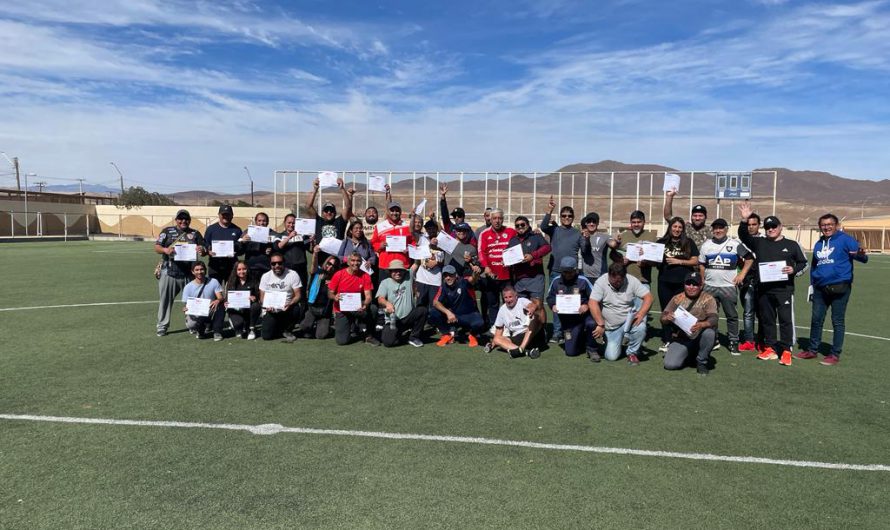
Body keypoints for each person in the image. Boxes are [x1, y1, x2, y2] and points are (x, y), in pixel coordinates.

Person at [737, 203, 808, 366]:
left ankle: (786, 350)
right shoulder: (759, 242)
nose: (770, 229)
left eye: (773, 226)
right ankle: (770, 348)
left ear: (780, 227)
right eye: (768, 226)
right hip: (764, 289)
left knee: (785, 320)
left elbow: (803, 263)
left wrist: (793, 269)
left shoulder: (792, 245)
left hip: (784, 290)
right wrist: (744, 219)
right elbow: (743, 235)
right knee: (767, 319)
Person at [796, 213, 869, 365]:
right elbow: (815, 266)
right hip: (819, 289)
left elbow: (862, 258)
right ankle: (812, 350)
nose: (826, 227)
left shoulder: (845, 239)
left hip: (840, 286)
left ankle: (834, 354)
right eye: (823, 225)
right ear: (820, 227)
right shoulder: (818, 244)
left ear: (836, 225)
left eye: (830, 224)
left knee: (837, 321)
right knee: (816, 320)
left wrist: (861, 254)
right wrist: (812, 286)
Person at [698, 218, 753, 354]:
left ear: (726, 229)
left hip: (727, 287)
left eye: (721, 228)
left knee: (732, 316)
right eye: (715, 228)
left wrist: (742, 275)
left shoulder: (734, 244)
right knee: (710, 315)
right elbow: (701, 263)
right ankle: (712, 340)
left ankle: (733, 341)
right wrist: (702, 279)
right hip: (710, 286)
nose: (718, 230)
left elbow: (750, 258)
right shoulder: (706, 245)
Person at [154, 209, 206, 336]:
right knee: (165, 301)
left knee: (193, 301)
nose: (183, 221)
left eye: (186, 219)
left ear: (190, 220)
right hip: (170, 272)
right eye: (180, 219)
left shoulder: (195, 233)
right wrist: (166, 250)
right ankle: (162, 326)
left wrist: (202, 249)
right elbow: (157, 247)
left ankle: (193, 324)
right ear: (176, 220)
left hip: (189, 274)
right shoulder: (167, 231)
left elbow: (204, 250)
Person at [588, 262, 653, 364]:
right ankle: (616, 343)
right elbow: (592, 303)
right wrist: (600, 324)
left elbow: (648, 297)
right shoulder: (601, 282)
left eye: (620, 281)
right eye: (614, 281)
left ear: (624, 276)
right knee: (611, 357)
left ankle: (632, 353)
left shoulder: (631, 280)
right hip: (611, 327)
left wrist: (641, 314)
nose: (617, 283)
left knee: (641, 327)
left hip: (629, 321)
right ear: (609, 275)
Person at [540, 197, 582, 343]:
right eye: (564, 216)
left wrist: (587, 238)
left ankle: (570, 330)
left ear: (573, 218)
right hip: (556, 271)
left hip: (573, 273)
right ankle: (557, 332)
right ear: (560, 217)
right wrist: (550, 209)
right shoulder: (555, 230)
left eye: (569, 216)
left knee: (572, 303)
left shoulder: (577, 233)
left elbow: (586, 249)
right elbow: (543, 226)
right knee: (557, 303)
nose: (566, 218)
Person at [661, 271, 719, 375]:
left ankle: (702, 362)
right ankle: (690, 355)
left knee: (709, 333)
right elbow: (662, 318)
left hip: (699, 336)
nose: (691, 287)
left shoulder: (708, 298)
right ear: (684, 284)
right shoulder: (677, 298)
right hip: (681, 338)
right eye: (688, 284)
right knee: (670, 365)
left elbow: (714, 319)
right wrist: (667, 318)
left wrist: (702, 324)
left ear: (701, 286)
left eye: (695, 284)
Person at [655, 217, 700, 351]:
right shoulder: (661, 242)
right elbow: (654, 260)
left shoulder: (688, 242)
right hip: (665, 282)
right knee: (667, 311)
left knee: (682, 312)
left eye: (680, 227)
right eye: (674, 226)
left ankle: (681, 338)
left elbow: (695, 261)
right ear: (670, 228)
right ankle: (667, 339)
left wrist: (679, 262)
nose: (677, 229)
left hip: (683, 283)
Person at [546, 256, 595, 357]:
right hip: (567, 323)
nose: (568, 275)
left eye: (570, 272)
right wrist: (553, 305)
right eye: (565, 272)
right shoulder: (555, 281)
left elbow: (595, 297)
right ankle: (581, 337)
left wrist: (587, 305)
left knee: (591, 323)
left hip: (583, 317)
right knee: (570, 352)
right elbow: (549, 297)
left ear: (575, 270)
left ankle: (592, 347)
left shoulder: (583, 280)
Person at [477, 208, 517, 327]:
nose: (497, 221)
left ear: (503, 219)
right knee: (493, 304)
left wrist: (532, 231)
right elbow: (481, 252)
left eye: (500, 218)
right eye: (495, 218)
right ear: (490, 219)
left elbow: (521, 241)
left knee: (509, 302)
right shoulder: (484, 234)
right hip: (492, 276)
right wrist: (486, 267)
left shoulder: (511, 232)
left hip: (507, 276)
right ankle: (495, 327)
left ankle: (511, 326)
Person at [329, 252, 380, 346]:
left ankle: (369, 335)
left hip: (357, 307)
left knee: (373, 309)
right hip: (342, 310)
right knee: (342, 341)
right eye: (353, 260)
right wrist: (334, 297)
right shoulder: (339, 274)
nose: (355, 263)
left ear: (361, 263)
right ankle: (353, 326)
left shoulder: (365, 276)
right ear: (348, 262)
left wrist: (365, 304)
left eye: (358, 261)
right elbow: (330, 293)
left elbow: (368, 296)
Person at [430, 265, 486, 347]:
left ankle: (472, 335)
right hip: (454, 316)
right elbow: (435, 302)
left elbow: (473, 279)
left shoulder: (463, 281)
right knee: (433, 312)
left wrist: (475, 273)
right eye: (445, 276)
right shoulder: (444, 286)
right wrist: (448, 313)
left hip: (470, 314)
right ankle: (447, 334)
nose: (448, 278)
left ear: (456, 275)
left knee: (479, 323)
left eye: (450, 275)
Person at [485, 284, 547, 359]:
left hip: (533, 334)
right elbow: (498, 332)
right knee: (497, 339)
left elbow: (532, 305)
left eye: (510, 297)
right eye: (506, 297)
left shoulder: (522, 301)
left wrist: (531, 309)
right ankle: (526, 351)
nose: (508, 300)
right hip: (518, 338)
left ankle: (521, 348)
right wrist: (493, 343)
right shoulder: (502, 310)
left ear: (516, 296)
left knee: (534, 318)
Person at [376, 260, 427, 348]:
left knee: (423, 310)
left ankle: (413, 337)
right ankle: (401, 333)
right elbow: (380, 299)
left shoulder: (408, 276)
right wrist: (387, 303)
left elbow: (416, 263)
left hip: (409, 317)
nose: (398, 273)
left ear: (404, 271)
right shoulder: (385, 282)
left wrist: (420, 249)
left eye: (400, 270)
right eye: (394, 270)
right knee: (388, 343)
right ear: (390, 272)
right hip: (393, 320)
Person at [305, 176, 355, 264]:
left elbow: (348, 207)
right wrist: (315, 189)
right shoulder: (318, 221)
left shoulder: (340, 221)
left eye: (331, 210)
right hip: (321, 261)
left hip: (336, 262)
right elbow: (308, 206)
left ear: (335, 213)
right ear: (322, 213)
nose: (329, 212)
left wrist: (342, 188)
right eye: (326, 210)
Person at [258, 252, 303, 342]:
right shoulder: (265, 276)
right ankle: (279, 328)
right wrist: (267, 306)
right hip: (271, 310)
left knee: (297, 309)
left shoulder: (293, 274)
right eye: (273, 264)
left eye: (279, 263)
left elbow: (298, 295)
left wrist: (290, 303)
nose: (277, 265)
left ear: (284, 263)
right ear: (270, 264)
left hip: (287, 308)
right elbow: (262, 298)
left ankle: (287, 330)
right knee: (266, 337)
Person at [507, 215, 550, 302]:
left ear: (527, 225)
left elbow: (547, 248)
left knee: (537, 307)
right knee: (521, 308)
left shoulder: (536, 236)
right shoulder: (513, 240)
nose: (520, 227)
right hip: (519, 279)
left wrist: (533, 256)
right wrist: (505, 260)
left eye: (522, 224)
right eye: (517, 225)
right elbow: (508, 255)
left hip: (535, 278)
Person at [298, 252, 339, 340]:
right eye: (329, 263)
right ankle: (310, 325)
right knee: (303, 327)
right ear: (326, 262)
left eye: (334, 266)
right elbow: (314, 263)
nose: (330, 266)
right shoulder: (317, 272)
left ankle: (327, 328)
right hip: (312, 309)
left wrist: (332, 285)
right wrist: (315, 253)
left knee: (321, 336)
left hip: (324, 312)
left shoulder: (335, 279)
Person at [180, 261, 225, 341]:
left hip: (210, 309)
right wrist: (185, 309)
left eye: (201, 269)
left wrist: (217, 300)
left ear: (205, 270)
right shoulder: (188, 287)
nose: (199, 272)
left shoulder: (213, 281)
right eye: (196, 270)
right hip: (197, 312)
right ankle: (200, 331)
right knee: (192, 324)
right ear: (192, 272)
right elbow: (186, 305)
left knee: (221, 305)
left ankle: (217, 332)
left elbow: (220, 297)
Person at [738, 213, 763, 351]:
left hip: (763, 281)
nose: (751, 227)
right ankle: (749, 340)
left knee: (762, 312)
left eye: (754, 224)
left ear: (759, 225)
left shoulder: (766, 240)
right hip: (746, 282)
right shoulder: (740, 242)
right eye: (749, 224)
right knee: (748, 312)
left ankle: (761, 340)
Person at [371, 201, 413, 279]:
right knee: (384, 291)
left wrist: (409, 249)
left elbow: (413, 242)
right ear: (388, 212)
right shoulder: (380, 226)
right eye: (392, 210)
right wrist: (380, 246)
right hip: (385, 266)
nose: (394, 213)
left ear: (400, 212)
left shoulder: (407, 226)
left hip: (402, 266)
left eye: (397, 210)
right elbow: (373, 243)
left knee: (402, 291)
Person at [204, 204, 243, 282]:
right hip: (214, 266)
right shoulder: (211, 229)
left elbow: (241, 249)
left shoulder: (237, 230)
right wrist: (208, 251)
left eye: (228, 214)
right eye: (223, 214)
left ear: (232, 215)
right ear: (219, 215)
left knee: (230, 291)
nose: (225, 216)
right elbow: (205, 244)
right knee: (214, 291)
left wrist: (237, 252)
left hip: (231, 267)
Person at [224, 261, 261, 340]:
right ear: (236, 271)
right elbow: (227, 299)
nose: (242, 271)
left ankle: (251, 329)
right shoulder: (231, 282)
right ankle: (237, 325)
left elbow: (259, 297)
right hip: (235, 310)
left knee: (256, 305)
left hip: (249, 310)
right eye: (239, 269)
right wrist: (226, 303)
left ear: (247, 269)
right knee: (238, 325)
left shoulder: (254, 281)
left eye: (244, 269)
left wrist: (255, 298)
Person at [414, 219, 445, 307]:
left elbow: (443, 259)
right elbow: (412, 231)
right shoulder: (422, 238)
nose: (431, 230)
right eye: (429, 228)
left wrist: (437, 262)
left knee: (433, 307)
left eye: (433, 228)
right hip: (421, 279)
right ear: (426, 230)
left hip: (435, 280)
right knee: (420, 305)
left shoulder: (441, 241)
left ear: (436, 229)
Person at [276, 213, 311, 291]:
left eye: (293, 223)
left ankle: (302, 303)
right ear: (284, 223)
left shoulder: (302, 235)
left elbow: (310, 249)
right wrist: (289, 237)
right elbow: (279, 247)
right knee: (287, 290)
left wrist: (311, 240)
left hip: (301, 268)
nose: (291, 225)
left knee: (302, 290)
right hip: (286, 268)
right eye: (289, 222)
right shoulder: (280, 235)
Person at [580, 212, 618, 282]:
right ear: (586, 223)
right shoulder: (581, 236)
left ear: (597, 223)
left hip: (600, 275)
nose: (591, 224)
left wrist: (617, 241)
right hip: (584, 275)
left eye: (594, 222)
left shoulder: (604, 236)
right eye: (589, 222)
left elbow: (613, 244)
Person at [242, 211, 275, 278]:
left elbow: (278, 247)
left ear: (268, 222)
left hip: (266, 267)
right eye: (259, 221)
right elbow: (240, 248)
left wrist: (272, 250)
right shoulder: (248, 232)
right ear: (255, 222)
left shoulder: (272, 233)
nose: (261, 223)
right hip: (251, 267)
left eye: (264, 221)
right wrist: (243, 241)